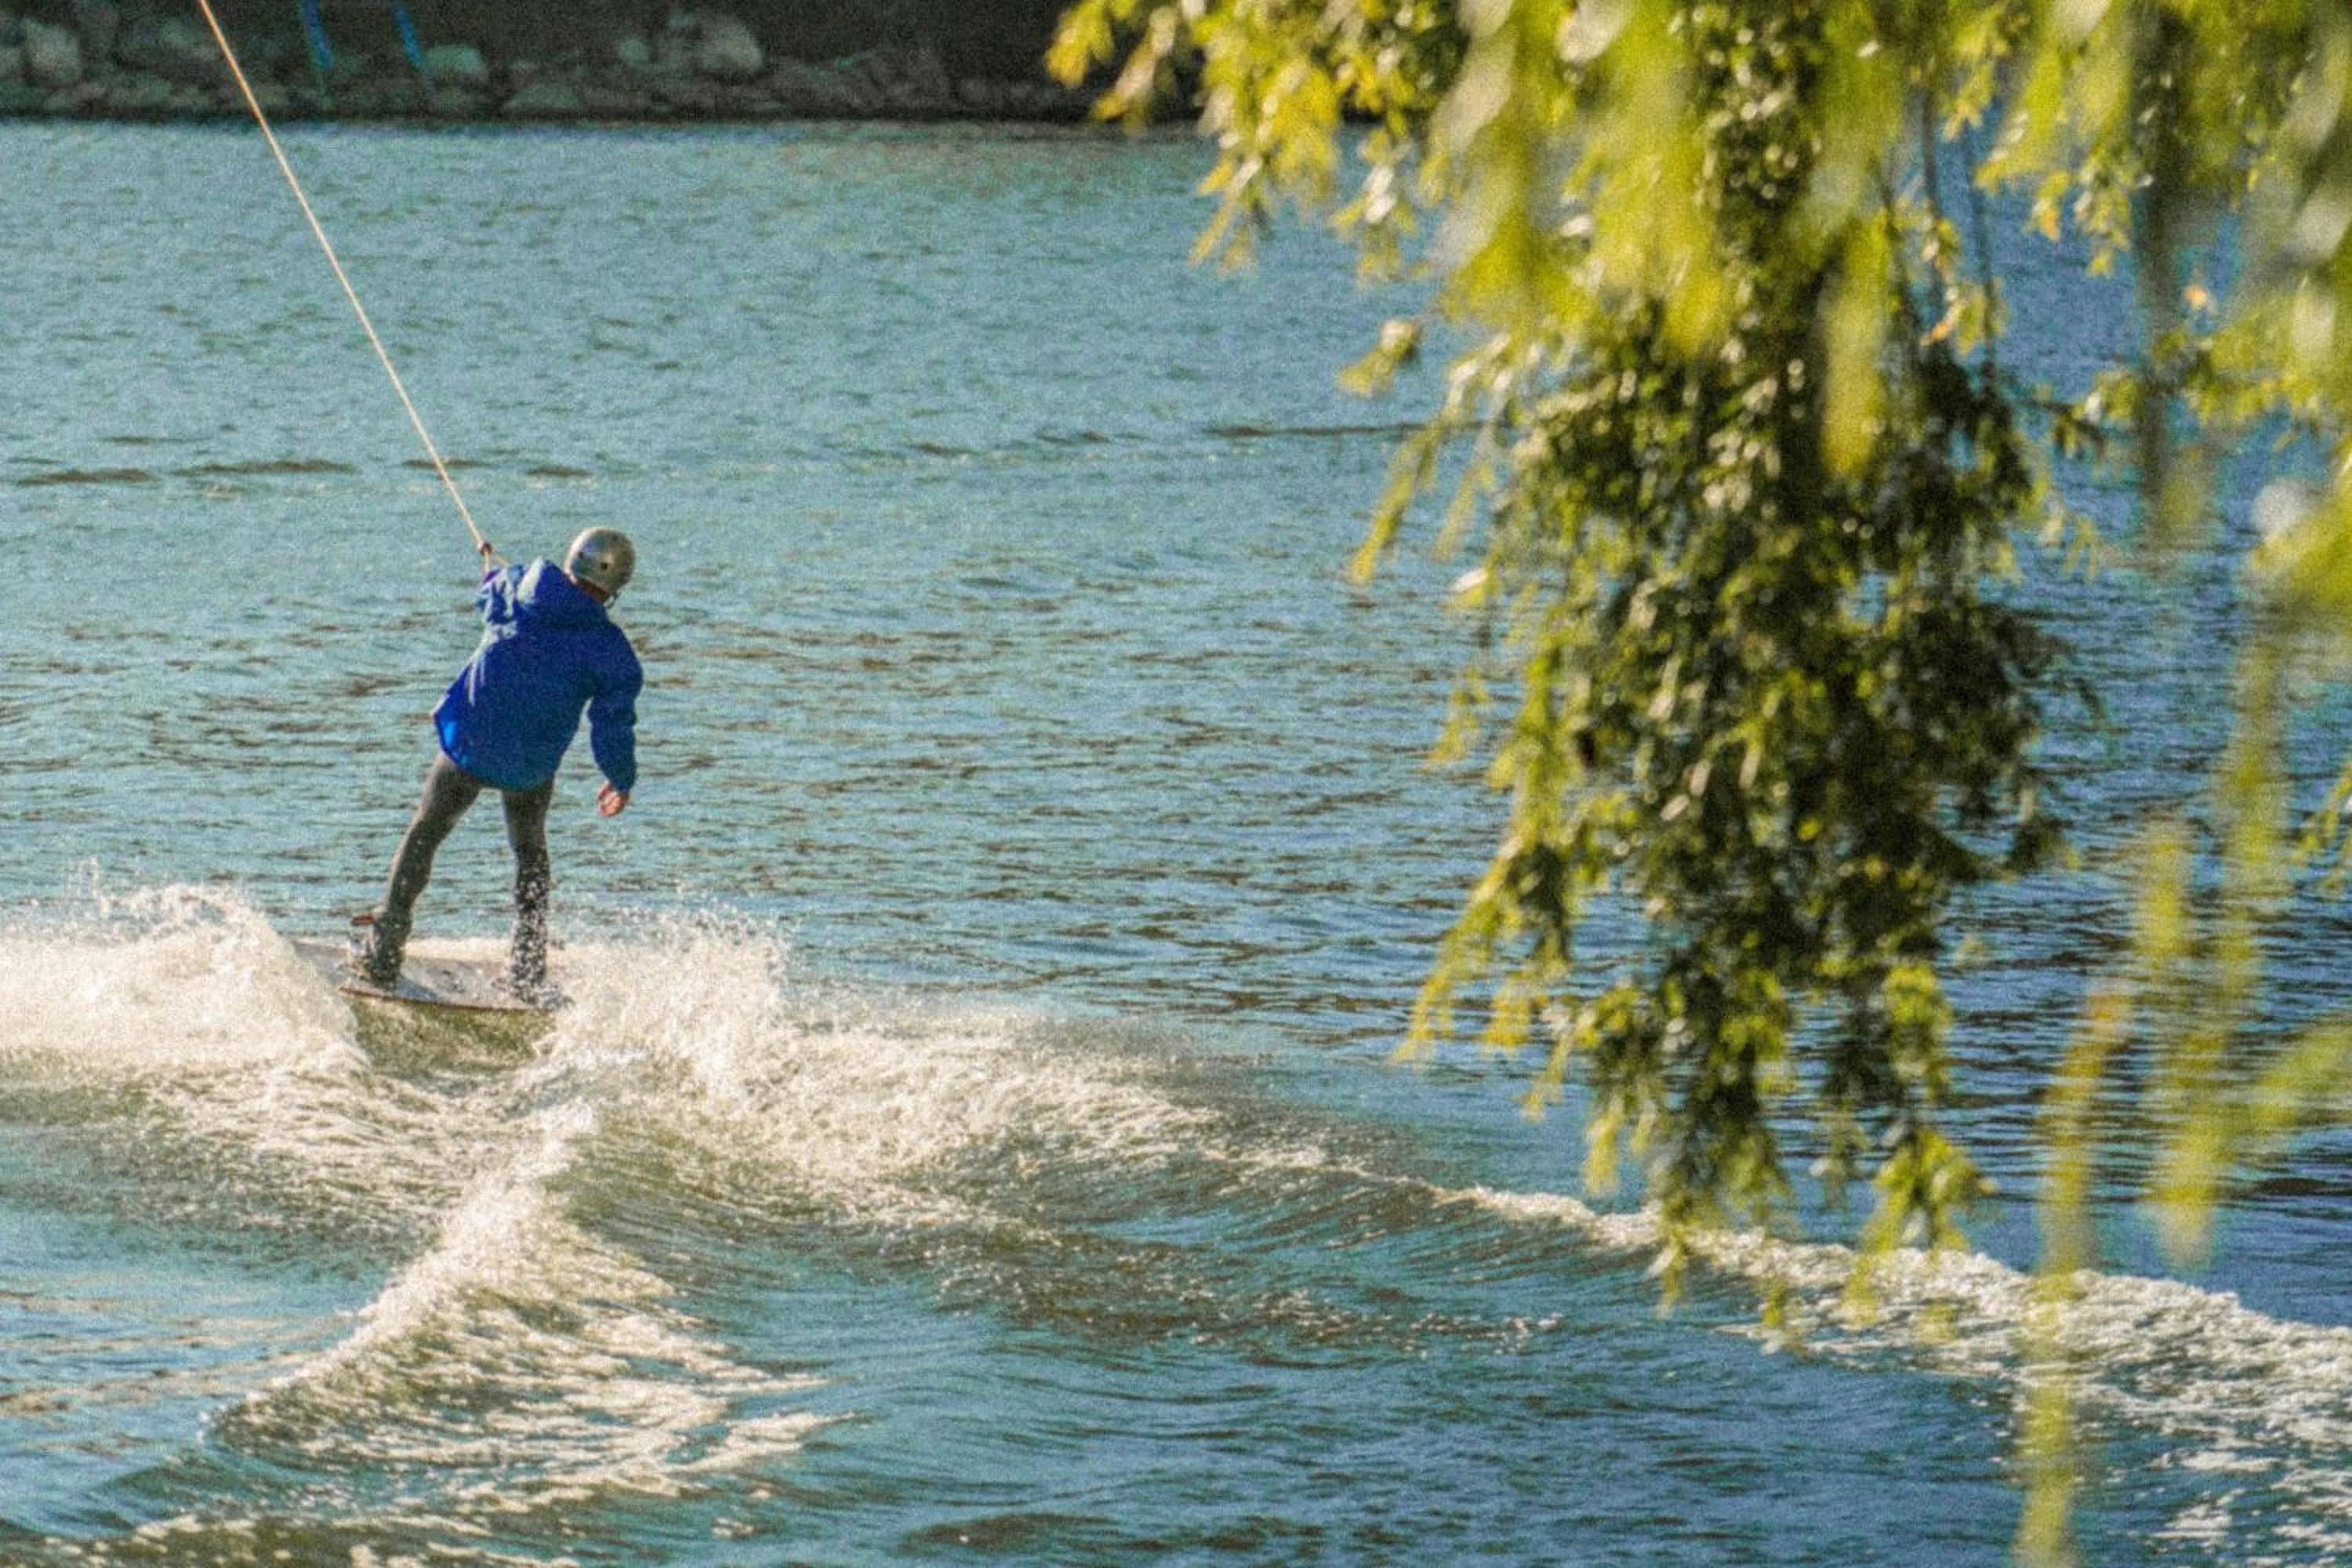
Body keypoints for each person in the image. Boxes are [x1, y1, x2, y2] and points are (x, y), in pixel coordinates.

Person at [352, 527, 643, 1000]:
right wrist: (619, 777)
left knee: (425, 832)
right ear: (616, 587)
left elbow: (489, 595)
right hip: (530, 765)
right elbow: (614, 723)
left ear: (572, 560)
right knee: (530, 855)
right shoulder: (611, 650)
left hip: (468, 744)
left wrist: (491, 567)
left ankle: (383, 951)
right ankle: (527, 975)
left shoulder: (518, 586)